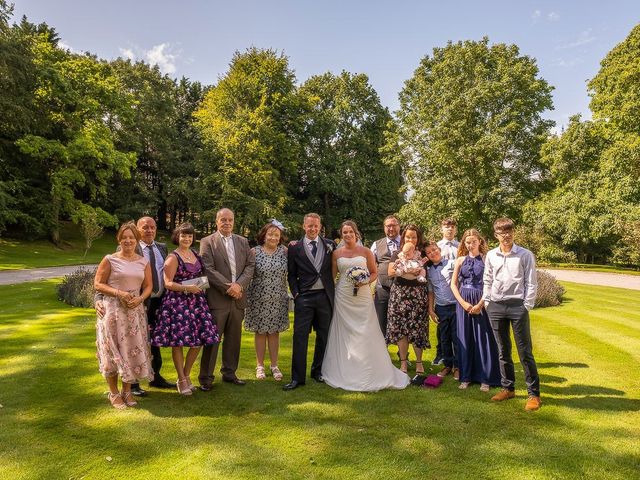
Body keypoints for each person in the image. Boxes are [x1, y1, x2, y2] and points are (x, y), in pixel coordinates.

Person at [322, 220, 409, 391]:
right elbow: (332, 277)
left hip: (362, 297)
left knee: (366, 331)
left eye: (350, 232)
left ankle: (369, 368)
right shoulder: (337, 254)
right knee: (345, 332)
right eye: (344, 232)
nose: (347, 235)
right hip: (344, 296)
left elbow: (374, 272)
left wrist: (363, 282)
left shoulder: (366, 251)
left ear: (356, 234)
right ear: (341, 234)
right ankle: (345, 368)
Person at [95, 216, 175, 396]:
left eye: (153, 227)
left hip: (157, 301)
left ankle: (155, 376)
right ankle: (133, 385)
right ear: (138, 230)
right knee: (127, 343)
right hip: (127, 305)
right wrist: (98, 299)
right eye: (145, 227)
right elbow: (106, 280)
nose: (149, 230)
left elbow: (160, 278)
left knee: (152, 342)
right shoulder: (127, 247)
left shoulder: (162, 248)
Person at [151, 223, 220, 395]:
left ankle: (187, 374)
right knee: (179, 342)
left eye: (190, 236)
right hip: (178, 304)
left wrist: (201, 284)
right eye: (183, 236)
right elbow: (168, 283)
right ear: (177, 237)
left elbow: (200, 278)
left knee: (198, 342)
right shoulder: (173, 258)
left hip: (197, 304)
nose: (187, 239)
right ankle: (181, 379)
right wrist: (187, 288)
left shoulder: (195, 254)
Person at [94, 222, 154, 409]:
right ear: (119, 239)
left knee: (131, 350)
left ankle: (127, 391)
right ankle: (113, 393)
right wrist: (119, 293)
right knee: (112, 352)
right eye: (124, 237)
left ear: (137, 240)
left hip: (134, 312)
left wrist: (140, 299)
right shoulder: (110, 259)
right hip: (113, 311)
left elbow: (149, 286)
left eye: (132, 238)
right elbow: (98, 284)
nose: (128, 240)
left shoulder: (143, 261)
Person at [483, 218, 541, 411]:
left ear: (513, 232)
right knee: (502, 350)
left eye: (509, 231)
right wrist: (488, 301)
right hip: (496, 306)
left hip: (518, 306)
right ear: (496, 235)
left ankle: (534, 395)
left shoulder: (525, 255)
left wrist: (527, 305)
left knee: (525, 352)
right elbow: (488, 279)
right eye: (502, 232)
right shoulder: (491, 255)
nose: (506, 235)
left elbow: (531, 282)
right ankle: (508, 388)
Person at [198, 208, 255, 389]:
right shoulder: (207, 242)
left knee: (233, 339)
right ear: (217, 221)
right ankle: (206, 378)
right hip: (218, 299)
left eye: (230, 220)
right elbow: (208, 269)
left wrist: (239, 286)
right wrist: (229, 287)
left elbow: (250, 265)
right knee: (213, 340)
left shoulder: (242, 241)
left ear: (234, 221)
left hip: (238, 299)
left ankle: (230, 373)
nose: (227, 223)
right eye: (223, 220)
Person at [283, 213, 336, 390]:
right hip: (304, 297)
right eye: (309, 226)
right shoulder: (295, 247)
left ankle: (318, 371)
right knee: (300, 337)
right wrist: (296, 294)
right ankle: (297, 377)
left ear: (320, 226)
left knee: (324, 336)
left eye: (316, 226)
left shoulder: (330, 244)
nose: (313, 229)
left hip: (324, 297)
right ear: (303, 226)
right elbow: (291, 274)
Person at [450, 229, 501, 392]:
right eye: (467, 242)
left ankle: (486, 378)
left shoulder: (487, 259)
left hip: (482, 301)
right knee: (465, 339)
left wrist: (480, 304)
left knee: (483, 338)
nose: (470, 244)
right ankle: (466, 377)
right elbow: (453, 285)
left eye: (473, 241)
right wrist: (463, 303)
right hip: (463, 301)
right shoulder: (460, 260)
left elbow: (491, 284)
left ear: (480, 241)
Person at [244, 220, 289, 381]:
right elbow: (246, 274)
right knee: (261, 332)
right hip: (258, 298)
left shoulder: (285, 251)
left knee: (274, 332)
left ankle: (274, 365)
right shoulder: (254, 252)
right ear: (264, 235)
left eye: (276, 235)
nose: (273, 237)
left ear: (280, 237)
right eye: (270, 234)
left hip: (278, 298)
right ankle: (260, 365)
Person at [386, 224, 430, 375]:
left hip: (418, 296)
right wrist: (407, 271)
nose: (410, 239)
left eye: (414, 236)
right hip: (399, 295)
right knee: (401, 330)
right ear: (403, 237)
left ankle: (419, 363)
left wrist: (417, 272)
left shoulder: (422, 254)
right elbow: (391, 272)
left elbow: (425, 273)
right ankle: (403, 363)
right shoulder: (397, 254)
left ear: (418, 239)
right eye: (408, 236)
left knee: (417, 329)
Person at [425, 241, 459, 381]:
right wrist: (431, 311)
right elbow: (431, 291)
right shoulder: (428, 271)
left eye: (434, 249)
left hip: (456, 306)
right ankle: (447, 365)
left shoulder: (452, 263)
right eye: (429, 252)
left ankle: (458, 366)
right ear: (427, 256)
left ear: (439, 249)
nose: (433, 253)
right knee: (444, 338)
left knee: (457, 338)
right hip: (441, 308)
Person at [433, 218, 459, 366]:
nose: (449, 229)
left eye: (452, 227)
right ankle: (440, 354)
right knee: (442, 328)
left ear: (455, 229)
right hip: (441, 293)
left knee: (457, 329)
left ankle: (458, 358)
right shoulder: (437, 246)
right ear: (441, 229)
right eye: (446, 226)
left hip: (457, 293)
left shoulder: (460, 246)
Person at [371, 215, 401, 336]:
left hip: (403, 288)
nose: (391, 228)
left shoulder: (406, 242)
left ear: (399, 226)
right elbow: (370, 266)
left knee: (402, 321)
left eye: (394, 225)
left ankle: (403, 354)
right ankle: (382, 352)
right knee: (380, 322)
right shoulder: (376, 244)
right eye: (388, 226)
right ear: (384, 228)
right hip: (382, 288)